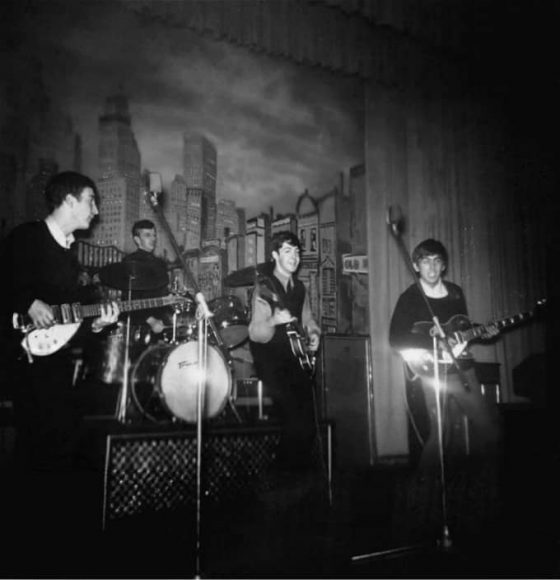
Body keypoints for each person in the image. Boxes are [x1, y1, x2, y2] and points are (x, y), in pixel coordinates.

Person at [0, 172, 120, 561]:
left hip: (54, 367)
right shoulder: (26, 238)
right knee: (39, 442)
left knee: (57, 444)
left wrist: (98, 324)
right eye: (91, 200)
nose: (96, 210)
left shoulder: (70, 260)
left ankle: (47, 543)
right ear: (68, 201)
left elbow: (68, 325)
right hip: (20, 360)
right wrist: (24, 301)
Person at [389, 238, 502, 470]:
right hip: (432, 373)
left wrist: (484, 331)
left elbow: (460, 328)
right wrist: (434, 342)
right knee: (441, 434)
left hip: (461, 369)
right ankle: (422, 496)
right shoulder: (409, 298)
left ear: (444, 266)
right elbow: (395, 338)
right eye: (425, 261)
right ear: (416, 266)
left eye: (437, 261)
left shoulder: (455, 293)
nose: (431, 267)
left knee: (489, 428)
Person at [248, 231, 322, 484]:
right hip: (271, 362)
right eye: (288, 251)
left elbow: (308, 319)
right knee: (292, 418)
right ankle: (281, 478)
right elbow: (255, 333)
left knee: (309, 418)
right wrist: (272, 320)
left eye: (297, 252)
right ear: (275, 255)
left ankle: (297, 480)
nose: (294, 257)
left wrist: (313, 333)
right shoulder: (265, 287)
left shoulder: (300, 287)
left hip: (295, 361)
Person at [121, 219, 171, 337]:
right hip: (140, 326)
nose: (153, 239)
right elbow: (129, 299)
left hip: (162, 323)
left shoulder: (160, 263)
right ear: (137, 239)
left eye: (154, 235)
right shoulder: (130, 262)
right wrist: (151, 321)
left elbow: (164, 294)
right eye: (147, 235)